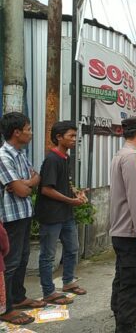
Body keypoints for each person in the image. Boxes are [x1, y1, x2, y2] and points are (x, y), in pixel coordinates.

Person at [35, 121, 88, 306]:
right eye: (71, 136)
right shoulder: (52, 159)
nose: (75, 139)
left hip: (66, 214)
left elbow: (65, 183)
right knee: (48, 255)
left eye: (75, 135)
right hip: (51, 215)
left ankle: (68, 282)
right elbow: (47, 189)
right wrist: (71, 201)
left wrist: (76, 193)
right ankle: (49, 291)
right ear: (59, 137)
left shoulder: (65, 158)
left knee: (72, 248)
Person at [109, 116, 136, 333]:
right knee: (132, 283)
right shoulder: (132, 158)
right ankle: (125, 327)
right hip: (130, 232)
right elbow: (135, 196)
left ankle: (120, 318)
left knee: (123, 278)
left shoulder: (123, 154)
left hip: (123, 230)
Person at [0, 112, 45, 325]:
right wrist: (24, 184)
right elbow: (22, 190)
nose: (30, 133)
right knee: (10, 263)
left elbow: (36, 177)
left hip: (23, 214)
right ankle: (5, 308)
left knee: (22, 259)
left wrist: (22, 183)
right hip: (10, 218)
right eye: (28, 129)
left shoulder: (20, 154)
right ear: (16, 132)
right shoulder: (3, 156)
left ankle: (18, 297)